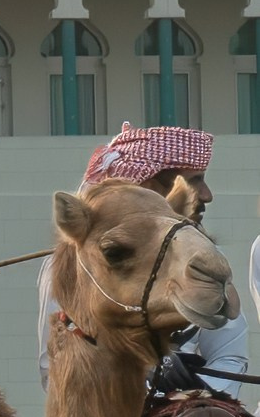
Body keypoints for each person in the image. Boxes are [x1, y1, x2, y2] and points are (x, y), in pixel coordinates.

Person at [35, 123, 247, 389]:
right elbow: (53, 366)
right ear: (149, 189)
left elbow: (229, 354)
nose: (207, 195)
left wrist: (195, 399)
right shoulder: (73, 264)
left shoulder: (206, 259)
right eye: (194, 181)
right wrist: (138, 378)